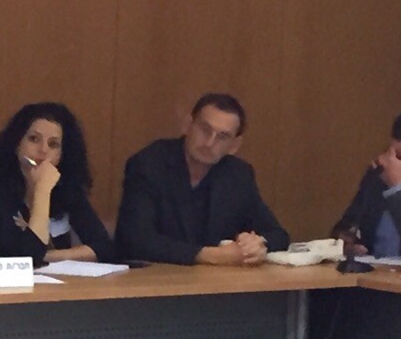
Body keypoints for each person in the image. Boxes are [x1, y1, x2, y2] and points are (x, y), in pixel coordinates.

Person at [116, 92, 288, 266]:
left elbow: (278, 234)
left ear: (234, 146)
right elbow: (135, 240)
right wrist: (207, 255)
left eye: (222, 137)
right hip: (157, 277)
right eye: (205, 130)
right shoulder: (149, 164)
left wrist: (258, 244)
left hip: (213, 280)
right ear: (187, 125)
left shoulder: (238, 175)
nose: (209, 143)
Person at [0, 102, 114, 265]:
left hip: (57, 280)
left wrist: (49, 256)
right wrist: (42, 190)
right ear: (17, 144)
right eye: (34, 139)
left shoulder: (67, 191)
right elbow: (28, 257)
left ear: (61, 154)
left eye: (53, 144)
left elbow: (104, 248)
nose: (43, 150)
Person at [332, 105, 401, 260]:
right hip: (378, 271)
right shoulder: (381, 176)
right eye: (398, 156)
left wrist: (398, 188)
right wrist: (347, 244)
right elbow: (345, 227)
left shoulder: (394, 180)